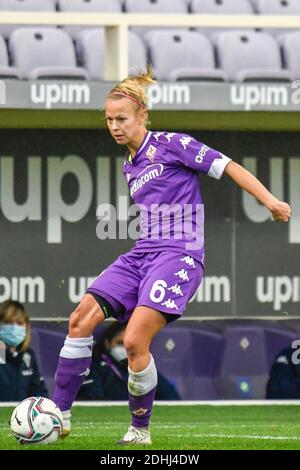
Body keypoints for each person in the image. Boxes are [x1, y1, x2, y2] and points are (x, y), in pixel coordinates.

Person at [52, 66, 291, 445]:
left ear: (142, 116)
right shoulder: (130, 164)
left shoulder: (172, 144)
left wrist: (270, 201)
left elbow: (227, 166)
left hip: (179, 255)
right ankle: (57, 416)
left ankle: (139, 430)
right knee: (80, 319)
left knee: (133, 342)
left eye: (122, 119)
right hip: (143, 253)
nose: (114, 126)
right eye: (109, 120)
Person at [77, 321, 181, 401]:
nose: (125, 349)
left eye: (130, 345)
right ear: (107, 344)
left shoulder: (143, 366)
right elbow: (92, 402)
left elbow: (173, 398)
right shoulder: (94, 366)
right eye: (120, 343)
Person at [0, 300, 48, 401]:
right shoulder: (1, 354)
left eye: (19, 323)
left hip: (21, 415)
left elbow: (40, 393)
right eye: (8, 322)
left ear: (26, 326)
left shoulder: (28, 356)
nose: (13, 327)